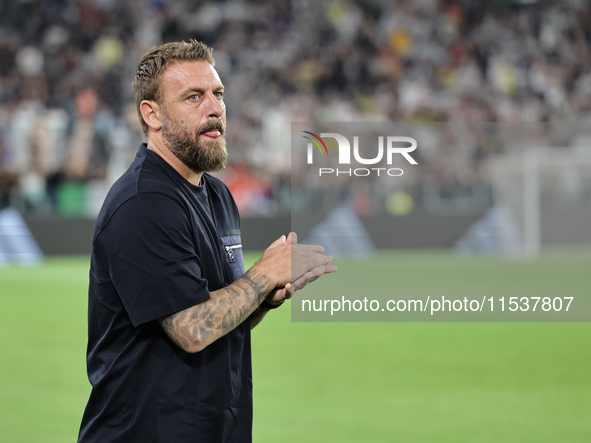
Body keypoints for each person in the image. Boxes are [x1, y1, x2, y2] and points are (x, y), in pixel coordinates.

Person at [77, 40, 336, 443]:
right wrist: (263, 274)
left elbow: (221, 314)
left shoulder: (217, 196)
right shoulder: (144, 203)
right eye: (193, 97)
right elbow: (191, 328)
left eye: (218, 94)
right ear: (153, 114)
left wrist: (264, 293)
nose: (214, 108)